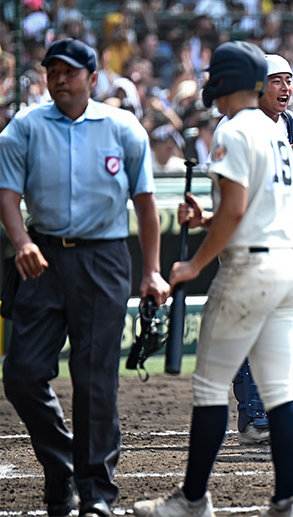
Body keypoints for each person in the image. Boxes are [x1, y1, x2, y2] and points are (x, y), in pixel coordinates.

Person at [133, 41, 293, 517]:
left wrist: (193, 265)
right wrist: (208, 219)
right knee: (279, 389)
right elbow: (249, 211)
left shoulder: (232, 129)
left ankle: (192, 500)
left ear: (226, 80)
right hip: (286, 267)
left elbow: (236, 210)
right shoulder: (275, 132)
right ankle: (287, 501)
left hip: (249, 270)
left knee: (210, 389)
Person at [0, 38, 169, 517]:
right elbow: (7, 193)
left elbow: (146, 204)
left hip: (105, 260)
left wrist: (152, 271)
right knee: (22, 374)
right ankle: (62, 469)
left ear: (93, 79)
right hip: (42, 259)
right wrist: (22, 243)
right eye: (52, 70)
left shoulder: (122, 127)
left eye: (70, 71)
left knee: (95, 381)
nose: (59, 78)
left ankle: (96, 494)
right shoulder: (26, 126)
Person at [230, 54, 293, 447]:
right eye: (277, 81)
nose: (286, 88)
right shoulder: (239, 124)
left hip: (287, 240)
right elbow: (234, 180)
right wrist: (284, 157)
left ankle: (267, 414)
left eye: (290, 81)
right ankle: (253, 417)